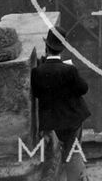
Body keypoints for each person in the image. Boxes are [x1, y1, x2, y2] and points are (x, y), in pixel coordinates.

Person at [31, 28, 90, 181]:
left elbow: (37, 94)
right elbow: (83, 89)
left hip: (53, 122)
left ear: (46, 47)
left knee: (67, 150)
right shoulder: (69, 70)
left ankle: (80, 175)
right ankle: (77, 177)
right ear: (62, 49)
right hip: (72, 119)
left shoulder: (37, 73)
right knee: (73, 151)